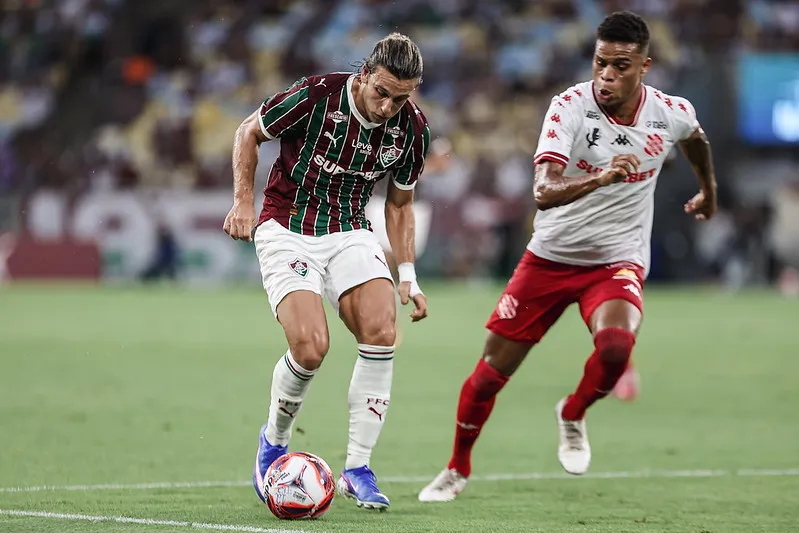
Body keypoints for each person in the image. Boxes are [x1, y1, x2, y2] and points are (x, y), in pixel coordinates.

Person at [418, 11, 717, 502]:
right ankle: (456, 467)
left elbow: (697, 140)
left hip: (616, 260)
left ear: (645, 66)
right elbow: (541, 190)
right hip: (550, 258)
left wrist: (709, 190)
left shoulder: (670, 112)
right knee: (491, 374)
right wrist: (598, 178)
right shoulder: (569, 108)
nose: (607, 75)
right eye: (601, 62)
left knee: (617, 348)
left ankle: (572, 413)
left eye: (621, 66)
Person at [223, 32, 430, 510]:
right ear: (364, 75)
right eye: (382, 93)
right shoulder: (317, 95)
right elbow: (247, 132)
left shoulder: (413, 129)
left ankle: (358, 466)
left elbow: (400, 205)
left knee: (382, 330)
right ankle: (274, 440)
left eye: (401, 98)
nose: (387, 107)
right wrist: (241, 201)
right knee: (312, 347)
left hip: (350, 231)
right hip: (287, 227)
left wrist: (408, 276)